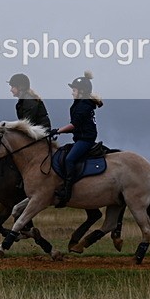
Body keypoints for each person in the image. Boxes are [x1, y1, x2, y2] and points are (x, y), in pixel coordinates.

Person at [49, 70, 104, 208]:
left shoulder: (83, 105)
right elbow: (75, 127)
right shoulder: (79, 104)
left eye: (74, 90)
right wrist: (59, 131)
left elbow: (74, 125)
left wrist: (58, 131)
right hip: (80, 139)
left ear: (81, 91)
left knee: (69, 159)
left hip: (86, 140)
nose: (72, 93)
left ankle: (67, 192)